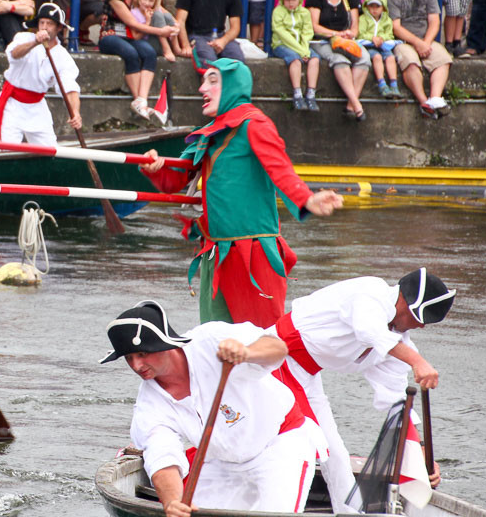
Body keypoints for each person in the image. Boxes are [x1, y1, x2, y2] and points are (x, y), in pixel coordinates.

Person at [139, 59, 343, 328]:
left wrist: (306, 198)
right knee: (214, 344)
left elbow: (280, 168)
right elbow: (176, 180)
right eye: (204, 81)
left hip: (254, 255)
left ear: (234, 86)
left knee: (262, 345)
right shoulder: (210, 133)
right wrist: (154, 167)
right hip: (215, 253)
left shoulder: (254, 124)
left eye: (213, 81)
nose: (203, 88)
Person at [101, 301, 324, 517]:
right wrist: (173, 502)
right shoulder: (149, 404)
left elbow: (277, 348)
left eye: (142, 353)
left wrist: (248, 353)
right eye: (129, 358)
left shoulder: (211, 339)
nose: (137, 365)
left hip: (280, 444)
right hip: (222, 462)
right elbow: (162, 457)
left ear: (164, 344)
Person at [272, 269, 454, 511]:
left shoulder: (399, 341)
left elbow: (398, 403)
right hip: (274, 358)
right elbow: (369, 331)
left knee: (334, 452)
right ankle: (278, 512)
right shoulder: (371, 293)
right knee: (310, 445)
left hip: (304, 374)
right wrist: (416, 361)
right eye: (420, 317)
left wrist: (421, 454)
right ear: (406, 303)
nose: (421, 326)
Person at [0, 2, 81, 145]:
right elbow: (14, 54)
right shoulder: (23, 38)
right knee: (6, 150)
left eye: (49, 23)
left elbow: (69, 87)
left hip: (36, 106)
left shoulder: (63, 57)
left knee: (50, 149)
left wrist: (75, 112)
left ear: (59, 28)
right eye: (42, 22)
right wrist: (35, 43)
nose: (44, 27)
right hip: (12, 105)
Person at [99, 0, 178, 119]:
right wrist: (161, 31)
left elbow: (158, 8)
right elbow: (131, 22)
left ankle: (142, 100)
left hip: (132, 36)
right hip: (111, 34)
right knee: (130, 53)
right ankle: (139, 101)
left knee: (149, 52)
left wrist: (175, 24)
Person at [386, 0, 453, 119]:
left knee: (443, 58)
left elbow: (435, 21)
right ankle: (424, 102)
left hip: (425, 38)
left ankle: (435, 98)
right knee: (410, 62)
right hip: (402, 40)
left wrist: (426, 43)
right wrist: (417, 43)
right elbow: (396, 27)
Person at [306, 0, 372, 121]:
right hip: (323, 41)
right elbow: (314, 27)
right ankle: (357, 105)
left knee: (364, 58)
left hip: (345, 39)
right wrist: (336, 33)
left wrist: (349, 34)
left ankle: (350, 104)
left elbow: (355, 27)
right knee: (339, 59)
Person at [270, 0, 319, 112]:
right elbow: (281, 33)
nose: (291, 2)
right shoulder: (278, 12)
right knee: (295, 60)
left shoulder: (304, 13)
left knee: (314, 60)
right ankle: (297, 94)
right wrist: (301, 51)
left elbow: (307, 32)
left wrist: (304, 48)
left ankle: (311, 94)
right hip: (282, 44)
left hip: (302, 46)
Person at [357, 0, 401, 100]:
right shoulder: (363, 19)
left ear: (383, 7)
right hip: (369, 46)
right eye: (371, 6)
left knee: (390, 57)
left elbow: (390, 35)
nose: (374, 9)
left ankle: (393, 84)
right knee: (377, 57)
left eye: (377, 6)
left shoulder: (387, 20)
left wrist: (382, 38)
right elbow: (360, 33)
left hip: (383, 45)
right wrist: (372, 38)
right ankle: (382, 84)